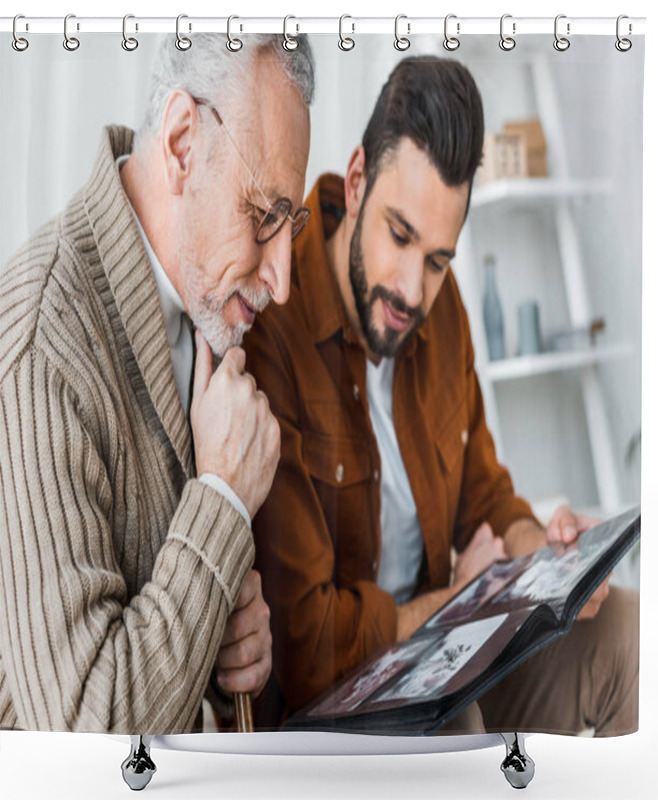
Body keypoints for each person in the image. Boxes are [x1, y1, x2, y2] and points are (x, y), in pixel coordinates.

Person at [245, 55, 638, 736]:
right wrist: (453, 602)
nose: (411, 291)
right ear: (359, 177)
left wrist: (543, 549)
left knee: (629, 632)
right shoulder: (276, 320)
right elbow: (307, 644)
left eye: (437, 258)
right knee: (456, 733)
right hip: (332, 709)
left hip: (446, 659)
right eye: (399, 235)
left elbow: (484, 497)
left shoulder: (441, 308)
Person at [0, 33, 315, 733]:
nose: (283, 281)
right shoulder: (40, 346)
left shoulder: (214, 305)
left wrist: (232, 642)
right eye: (265, 214)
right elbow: (85, 736)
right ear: (180, 143)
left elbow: (179, 608)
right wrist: (224, 501)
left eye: (290, 222)